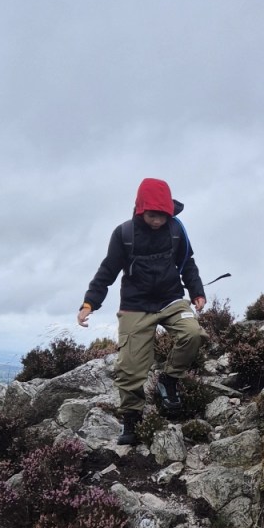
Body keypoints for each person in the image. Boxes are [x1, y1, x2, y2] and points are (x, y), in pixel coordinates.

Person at [78, 178, 207, 445]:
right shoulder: (124, 234)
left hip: (171, 300)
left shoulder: (176, 229)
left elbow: (187, 264)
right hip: (135, 305)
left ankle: (169, 380)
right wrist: (89, 303)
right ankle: (131, 418)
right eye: (152, 215)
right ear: (140, 209)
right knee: (129, 369)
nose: (158, 221)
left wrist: (197, 292)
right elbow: (108, 271)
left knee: (193, 334)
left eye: (162, 215)